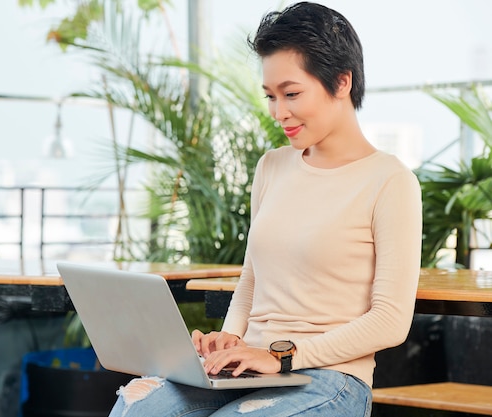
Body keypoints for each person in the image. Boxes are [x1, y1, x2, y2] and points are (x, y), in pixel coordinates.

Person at [109, 2, 422, 416]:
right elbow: (252, 281)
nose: (279, 112)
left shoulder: (390, 180)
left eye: (291, 94)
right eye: (271, 96)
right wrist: (230, 339)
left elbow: (390, 321)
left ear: (342, 82)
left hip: (331, 378)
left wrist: (283, 357)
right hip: (249, 367)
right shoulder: (272, 167)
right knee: (137, 408)